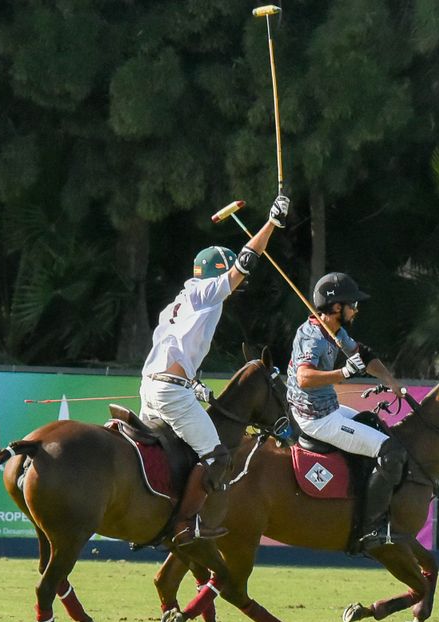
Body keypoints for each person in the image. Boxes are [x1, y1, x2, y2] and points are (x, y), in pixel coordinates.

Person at [141, 194, 290, 546]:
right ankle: (183, 525)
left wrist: (194, 387)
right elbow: (246, 262)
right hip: (169, 391)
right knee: (216, 455)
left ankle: (156, 512)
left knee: (174, 454)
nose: (234, 290)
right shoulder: (204, 294)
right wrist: (272, 222)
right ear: (215, 276)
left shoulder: (176, 304)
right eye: (228, 281)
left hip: (151, 386)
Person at [286, 272, 407, 553]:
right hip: (317, 420)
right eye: (352, 303)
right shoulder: (314, 337)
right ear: (336, 307)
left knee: (374, 425)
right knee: (390, 451)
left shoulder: (334, 331)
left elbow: (362, 356)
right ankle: (369, 529)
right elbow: (304, 377)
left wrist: (391, 383)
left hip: (330, 409)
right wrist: (343, 372)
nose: (356, 309)